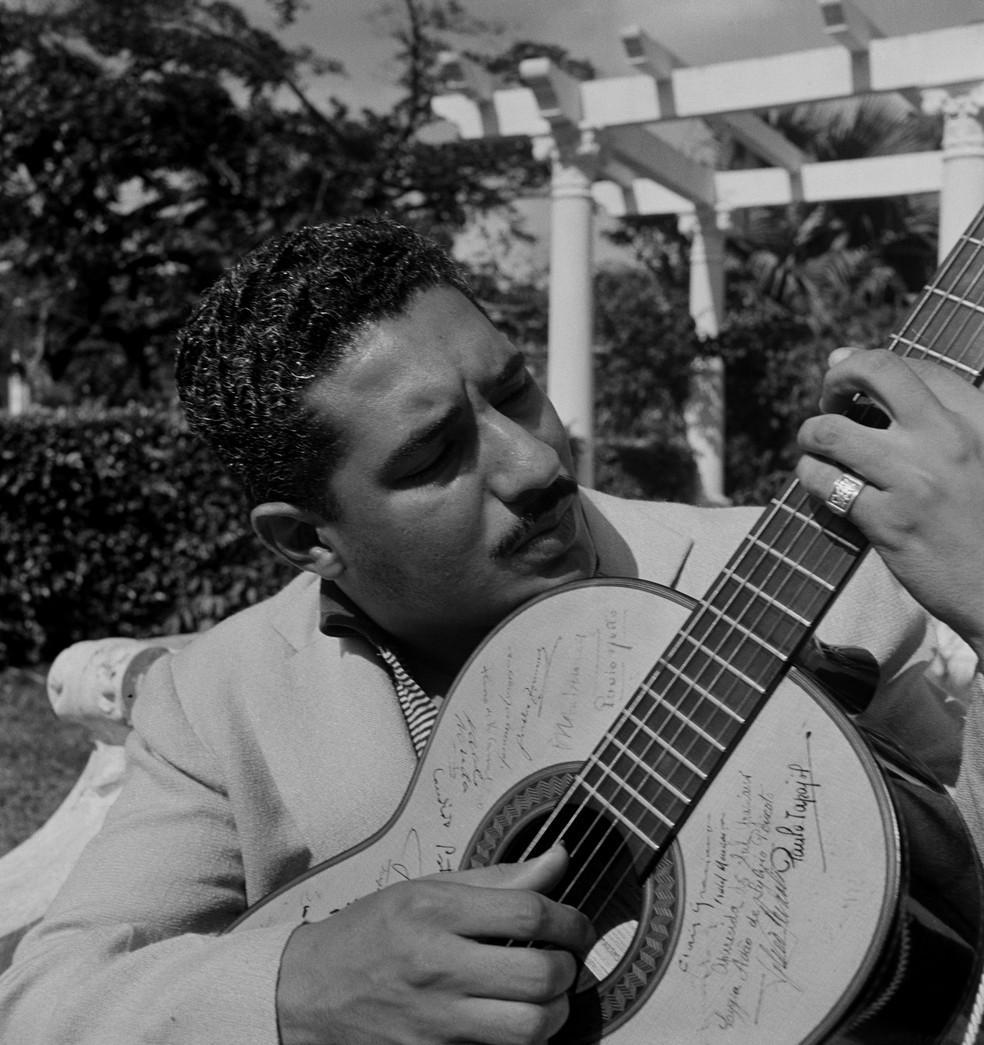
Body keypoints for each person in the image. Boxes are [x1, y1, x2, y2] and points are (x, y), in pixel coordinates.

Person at [0, 217, 981, 1045]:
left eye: (514, 391)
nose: (536, 463)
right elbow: (43, 999)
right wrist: (297, 988)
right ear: (307, 541)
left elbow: (961, 886)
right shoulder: (221, 701)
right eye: (435, 454)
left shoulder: (833, 585)